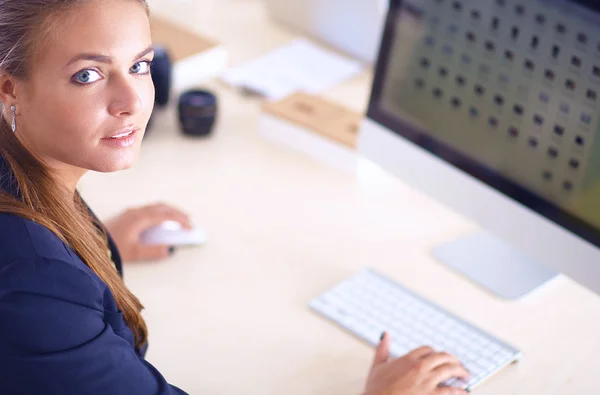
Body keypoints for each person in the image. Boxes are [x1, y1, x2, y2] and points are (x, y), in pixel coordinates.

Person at [0, 1, 469, 394]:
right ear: (9, 88)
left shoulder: (25, 178)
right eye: (88, 75)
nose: (133, 100)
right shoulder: (36, 285)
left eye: (140, 65)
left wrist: (98, 247)